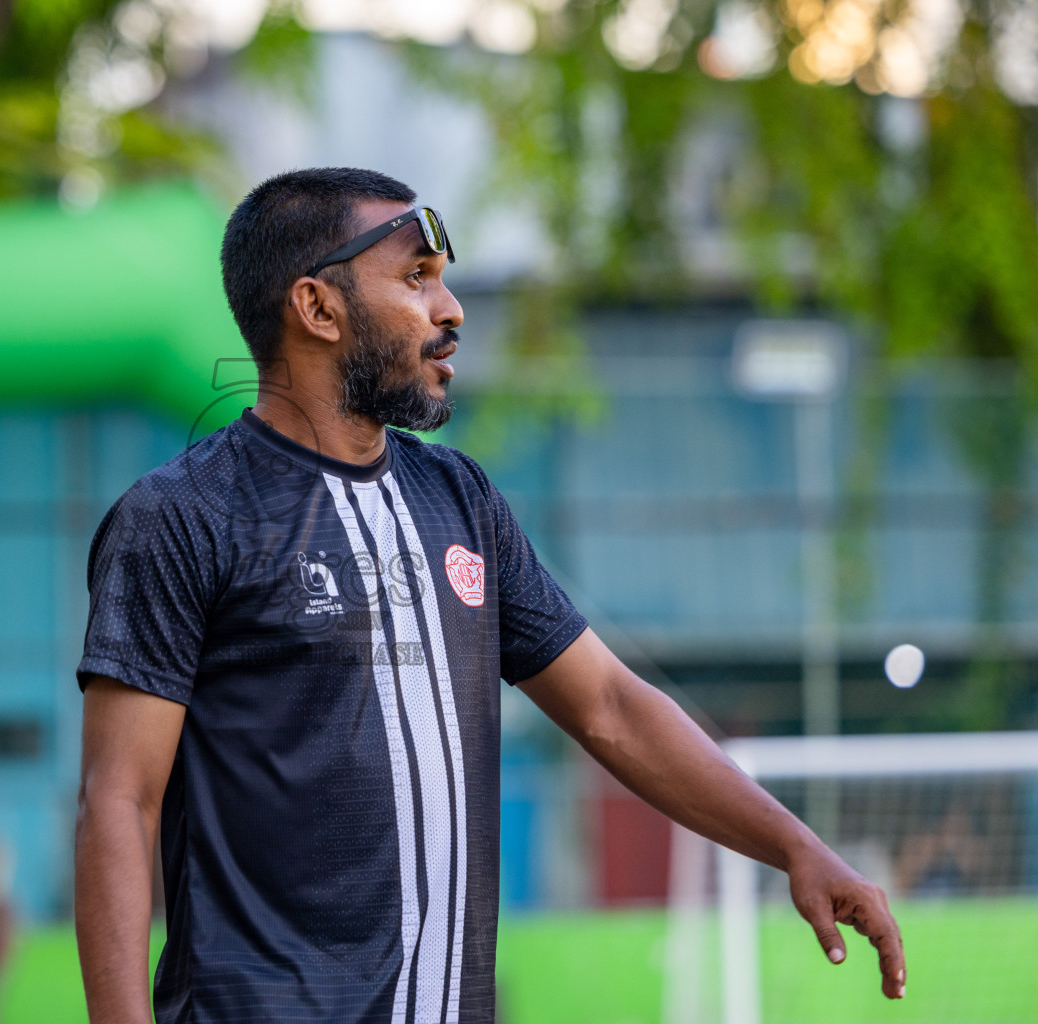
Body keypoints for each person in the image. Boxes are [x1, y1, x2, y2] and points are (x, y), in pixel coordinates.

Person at [73, 167, 905, 1024]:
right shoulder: (181, 518)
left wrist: (794, 846)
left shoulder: (460, 499)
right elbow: (119, 802)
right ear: (317, 309)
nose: (452, 309)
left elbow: (611, 707)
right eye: (416, 277)